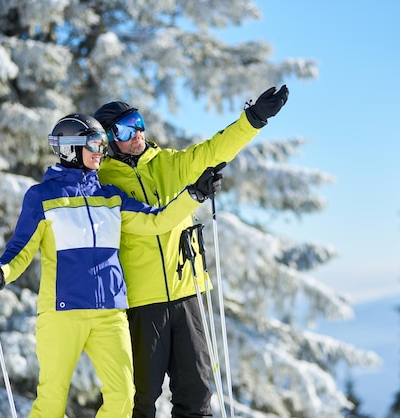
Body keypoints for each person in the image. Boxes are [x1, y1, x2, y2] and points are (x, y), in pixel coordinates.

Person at [0, 113, 225, 418]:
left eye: (103, 144)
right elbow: (20, 249)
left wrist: (194, 195)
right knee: (51, 399)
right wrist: (0, 273)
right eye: (94, 143)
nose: (101, 151)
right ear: (69, 148)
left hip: (109, 313)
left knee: (123, 398)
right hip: (63, 312)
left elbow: (158, 220)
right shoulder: (43, 197)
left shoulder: (111, 197)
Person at [93, 85, 289, 418]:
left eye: (138, 122)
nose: (137, 133)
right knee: (139, 399)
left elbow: (214, 150)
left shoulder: (169, 163)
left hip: (186, 292)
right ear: (109, 140)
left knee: (196, 392)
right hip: (141, 303)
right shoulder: (103, 181)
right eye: (125, 129)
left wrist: (253, 119)